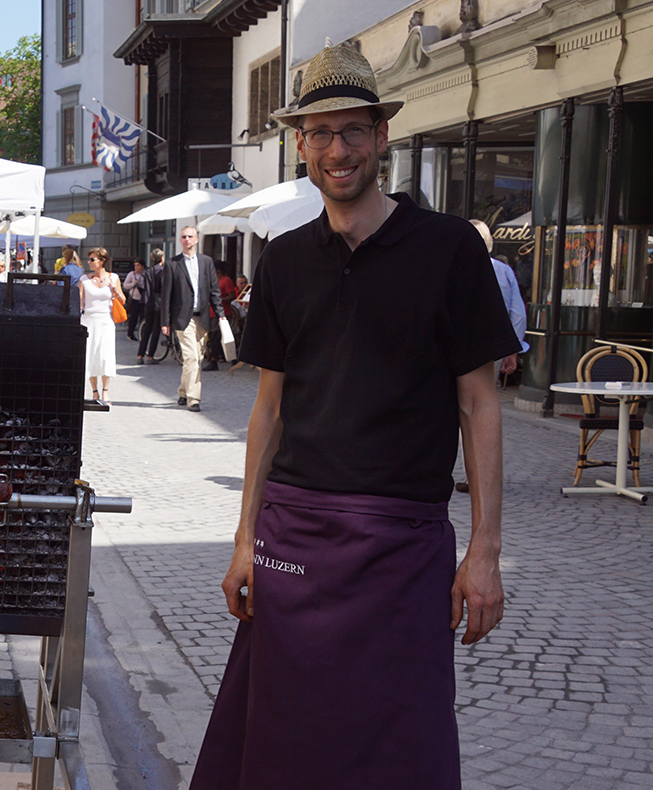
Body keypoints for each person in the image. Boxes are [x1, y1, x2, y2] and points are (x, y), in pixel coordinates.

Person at [190, 42, 516, 790]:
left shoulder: (449, 251)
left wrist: (487, 552)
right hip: (294, 538)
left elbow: (479, 402)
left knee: (403, 744)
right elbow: (268, 411)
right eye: (321, 134)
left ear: (382, 137)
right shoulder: (285, 261)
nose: (338, 150)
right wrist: (245, 538)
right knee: (279, 743)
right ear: (299, 144)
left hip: (403, 543)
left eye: (353, 132)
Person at [160, 226, 223, 411]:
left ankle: (182, 391)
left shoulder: (206, 262)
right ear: (180, 240)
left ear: (196, 239)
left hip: (202, 317)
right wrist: (165, 322)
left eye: (190, 236)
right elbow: (166, 295)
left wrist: (221, 315)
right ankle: (193, 399)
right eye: (183, 237)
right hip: (182, 318)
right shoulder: (172, 264)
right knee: (192, 358)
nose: (186, 239)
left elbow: (214, 290)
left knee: (196, 359)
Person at [470, 219, 528, 376]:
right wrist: (512, 350)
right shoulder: (503, 270)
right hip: (492, 345)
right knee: (486, 395)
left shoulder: (449, 267)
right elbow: (518, 315)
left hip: (455, 344)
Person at [78, 248, 126, 407]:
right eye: (89, 259)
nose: (89, 262)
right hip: (89, 320)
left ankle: (105, 389)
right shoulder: (84, 279)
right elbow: (79, 303)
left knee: (105, 355)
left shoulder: (114, 278)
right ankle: (94, 391)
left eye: (92, 259)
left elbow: (123, 300)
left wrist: (114, 289)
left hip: (106, 320)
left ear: (102, 261)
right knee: (90, 355)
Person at [137, 249, 167, 365]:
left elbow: (140, 285)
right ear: (162, 258)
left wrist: (145, 294)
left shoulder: (147, 271)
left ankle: (140, 355)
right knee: (156, 329)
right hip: (159, 302)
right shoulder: (163, 270)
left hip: (148, 302)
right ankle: (150, 356)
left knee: (146, 329)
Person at [123, 261, 147, 341]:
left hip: (144, 299)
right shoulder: (132, 274)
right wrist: (133, 284)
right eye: (135, 265)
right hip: (134, 299)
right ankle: (130, 334)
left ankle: (143, 334)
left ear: (142, 266)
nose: (136, 267)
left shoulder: (146, 274)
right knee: (133, 317)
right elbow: (125, 285)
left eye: (138, 265)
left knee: (143, 317)